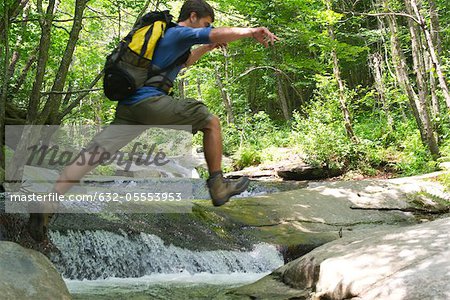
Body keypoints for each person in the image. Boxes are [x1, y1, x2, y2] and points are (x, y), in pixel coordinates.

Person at [28, 0, 279, 242]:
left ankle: (48, 201)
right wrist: (251, 31)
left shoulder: (168, 39)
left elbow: (185, 62)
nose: (204, 28)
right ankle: (218, 185)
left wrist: (206, 48)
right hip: (150, 104)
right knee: (210, 121)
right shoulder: (180, 33)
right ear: (192, 17)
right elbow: (214, 34)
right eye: (204, 23)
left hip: (130, 109)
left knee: (92, 155)